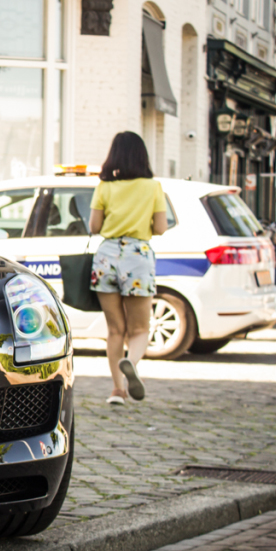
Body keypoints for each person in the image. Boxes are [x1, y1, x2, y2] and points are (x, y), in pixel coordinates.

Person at [89, 132, 169, 404]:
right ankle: (132, 363)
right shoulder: (152, 187)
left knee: (114, 330)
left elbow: (94, 227)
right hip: (138, 256)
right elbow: (160, 228)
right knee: (140, 329)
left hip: (107, 256)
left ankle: (116, 391)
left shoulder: (104, 187)